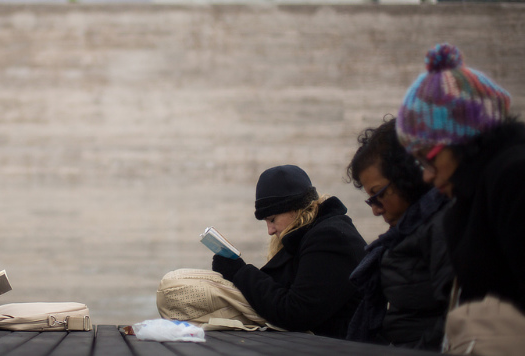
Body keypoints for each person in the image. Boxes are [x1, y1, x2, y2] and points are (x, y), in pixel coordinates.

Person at [396, 43, 525, 345]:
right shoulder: (470, 196)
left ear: (462, 142)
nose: (426, 176)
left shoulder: (513, 179)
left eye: (428, 158)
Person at [211, 164, 366, 338]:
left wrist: (240, 272)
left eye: (272, 219)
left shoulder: (331, 238)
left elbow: (296, 312)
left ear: (295, 209)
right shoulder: (310, 236)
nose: (270, 230)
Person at [346, 117, 453, 349]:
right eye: (370, 200)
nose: (375, 210)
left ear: (408, 178)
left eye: (379, 194)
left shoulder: (442, 226)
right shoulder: (405, 234)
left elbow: (457, 315)